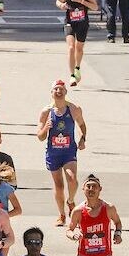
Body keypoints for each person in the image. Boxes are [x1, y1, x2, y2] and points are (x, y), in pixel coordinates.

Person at [37, 80, 86, 227]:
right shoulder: (46, 112)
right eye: (56, 89)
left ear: (66, 92)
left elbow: (81, 124)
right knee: (59, 186)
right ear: (51, 93)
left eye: (61, 89)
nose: (58, 92)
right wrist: (46, 128)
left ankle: (70, 201)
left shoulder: (74, 109)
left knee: (72, 179)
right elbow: (40, 137)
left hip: (68, 151)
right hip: (53, 153)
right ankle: (61, 215)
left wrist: (82, 138)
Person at [56, 0, 98, 86]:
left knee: (79, 48)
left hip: (82, 22)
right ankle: (72, 76)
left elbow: (95, 7)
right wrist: (62, 5)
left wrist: (81, 1)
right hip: (70, 21)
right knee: (71, 47)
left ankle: (77, 68)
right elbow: (58, 1)